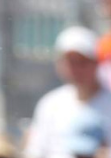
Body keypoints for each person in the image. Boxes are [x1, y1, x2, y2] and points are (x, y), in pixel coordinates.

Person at [24, 27, 111, 158]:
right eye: (69, 62)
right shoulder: (50, 104)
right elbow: (36, 152)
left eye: (81, 62)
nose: (75, 69)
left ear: (95, 62)